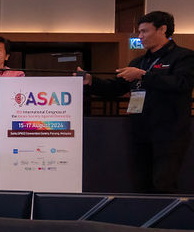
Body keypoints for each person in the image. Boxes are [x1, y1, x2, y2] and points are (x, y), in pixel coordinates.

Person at [79, 11, 194, 193]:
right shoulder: (139, 61)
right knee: (141, 184)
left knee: (163, 183)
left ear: (162, 30)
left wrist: (143, 75)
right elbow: (116, 88)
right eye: (139, 32)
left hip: (169, 133)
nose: (140, 36)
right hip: (139, 132)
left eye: (144, 31)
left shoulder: (183, 57)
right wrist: (92, 82)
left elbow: (182, 83)